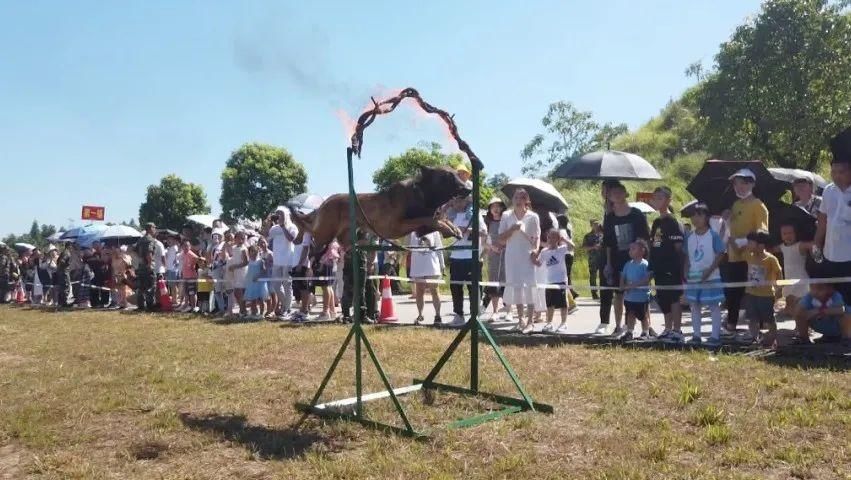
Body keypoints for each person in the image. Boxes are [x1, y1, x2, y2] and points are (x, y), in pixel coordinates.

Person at [600, 182, 650, 337]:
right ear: (609, 196)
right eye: (612, 192)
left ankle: (646, 326)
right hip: (616, 258)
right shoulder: (609, 217)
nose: (616, 195)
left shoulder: (637, 214)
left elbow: (645, 238)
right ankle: (618, 326)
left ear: (625, 193)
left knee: (641, 292)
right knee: (619, 293)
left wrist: (645, 259)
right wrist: (608, 263)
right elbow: (608, 242)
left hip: (637, 259)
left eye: (619, 192)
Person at [723, 169, 769, 334]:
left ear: (752, 184)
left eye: (744, 183)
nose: (740, 187)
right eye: (737, 184)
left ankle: (760, 328)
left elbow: (762, 233)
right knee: (732, 293)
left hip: (752, 258)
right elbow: (729, 232)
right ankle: (731, 325)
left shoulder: (759, 205)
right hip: (734, 257)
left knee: (754, 292)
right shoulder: (735, 205)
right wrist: (726, 220)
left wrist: (742, 242)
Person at [814, 127, 851, 304]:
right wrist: (817, 244)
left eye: (841, 172)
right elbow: (823, 221)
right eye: (833, 171)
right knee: (832, 298)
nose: (836, 176)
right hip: (831, 254)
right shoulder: (828, 191)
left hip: (849, 255)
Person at [498, 188, 541, 333]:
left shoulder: (533, 217)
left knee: (529, 286)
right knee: (516, 287)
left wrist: (535, 250)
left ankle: (530, 321)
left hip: (527, 255)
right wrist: (512, 229)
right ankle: (520, 319)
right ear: (513, 199)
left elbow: (536, 237)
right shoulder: (506, 215)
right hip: (512, 255)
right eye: (516, 197)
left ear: (526, 200)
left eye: (521, 198)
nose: (518, 200)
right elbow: (501, 238)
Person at [684, 203, 726, 345]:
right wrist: (686, 272)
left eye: (699, 215)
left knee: (714, 305)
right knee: (694, 306)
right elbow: (686, 257)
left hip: (711, 276)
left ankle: (715, 336)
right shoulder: (689, 236)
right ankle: (696, 336)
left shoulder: (712, 235)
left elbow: (721, 253)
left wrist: (709, 271)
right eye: (693, 216)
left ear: (706, 217)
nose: (695, 219)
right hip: (694, 277)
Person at [649, 186, 686, 343]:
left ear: (668, 200)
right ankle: (668, 328)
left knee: (674, 298)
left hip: (672, 266)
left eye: (660, 197)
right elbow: (656, 243)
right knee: (663, 298)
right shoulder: (657, 222)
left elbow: (679, 248)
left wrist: (681, 269)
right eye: (655, 197)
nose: (656, 201)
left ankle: (677, 330)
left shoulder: (673, 221)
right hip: (659, 267)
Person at [448, 195, 484, 326]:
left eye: (460, 200)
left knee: (473, 288)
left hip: (471, 257)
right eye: (455, 200)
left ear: (466, 201)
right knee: (455, 287)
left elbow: (484, 232)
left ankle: (475, 316)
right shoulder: (452, 216)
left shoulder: (475, 214)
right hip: (456, 257)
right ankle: (458, 315)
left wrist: (467, 230)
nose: (457, 203)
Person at [743, 230, 782, 347]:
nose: (748, 245)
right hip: (750, 293)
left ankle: (773, 339)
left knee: (769, 319)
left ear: (761, 245)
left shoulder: (771, 259)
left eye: (751, 242)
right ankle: (754, 338)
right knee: (752, 318)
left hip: (766, 295)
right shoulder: (748, 256)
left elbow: (779, 273)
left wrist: (779, 289)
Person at [533, 229, 572, 333]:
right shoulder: (544, 251)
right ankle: (549, 323)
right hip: (549, 282)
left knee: (563, 304)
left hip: (561, 280)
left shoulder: (562, 249)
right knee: (550, 304)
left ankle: (564, 323)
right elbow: (538, 263)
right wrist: (532, 257)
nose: (550, 239)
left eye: (553, 237)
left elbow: (572, 247)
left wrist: (565, 239)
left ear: (558, 239)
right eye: (549, 237)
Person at [266, 208, 298, 320]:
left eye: (281, 214)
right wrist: (267, 223)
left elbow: (291, 239)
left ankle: (286, 309)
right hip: (277, 260)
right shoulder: (274, 228)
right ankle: (287, 307)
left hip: (288, 260)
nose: (279, 216)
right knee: (275, 285)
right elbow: (266, 236)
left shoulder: (292, 226)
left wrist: (283, 226)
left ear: (286, 216)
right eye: (277, 214)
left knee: (287, 285)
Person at [617, 240, 653, 340]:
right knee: (630, 314)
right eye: (630, 249)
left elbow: (646, 280)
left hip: (641, 298)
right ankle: (630, 332)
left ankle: (645, 332)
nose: (630, 251)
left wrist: (632, 286)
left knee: (643, 316)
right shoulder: (627, 264)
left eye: (633, 249)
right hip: (629, 297)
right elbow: (622, 276)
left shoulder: (645, 264)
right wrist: (622, 285)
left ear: (642, 251)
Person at [774, 223, 811, 316]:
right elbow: (770, 249)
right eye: (784, 233)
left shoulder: (800, 245)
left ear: (796, 234)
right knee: (789, 304)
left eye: (790, 233)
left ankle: (801, 326)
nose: (788, 236)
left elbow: (812, 245)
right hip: (789, 280)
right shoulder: (782, 247)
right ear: (781, 236)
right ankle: (796, 321)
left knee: (800, 306)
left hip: (801, 280)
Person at [408, 231, 445, 325]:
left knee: (435, 291)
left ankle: (438, 315)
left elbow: (439, 248)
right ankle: (420, 315)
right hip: (418, 266)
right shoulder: (413, 232)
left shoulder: (434, 231)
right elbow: (410, 248)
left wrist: (442, 264)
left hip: (432, 266)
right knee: (419, 292)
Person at [342, 230, 377, 323]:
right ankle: (346, 315)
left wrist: (370, 264)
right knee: (348, 291)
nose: (366, 242)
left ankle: (362, 315)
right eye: (365, 239)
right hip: (351, 266)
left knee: (361, 291)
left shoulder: (362, 250)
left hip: (360, 266)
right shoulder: (350, 241)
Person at [483, 197, 507, 320]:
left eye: (498, 206)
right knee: (493, 282)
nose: (496, 209)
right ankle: (495, 311)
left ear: (502, 207)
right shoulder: (487, 222)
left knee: (507, 281)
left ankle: (509, 311)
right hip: (493, 256)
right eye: (493, 206)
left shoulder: (507, 220)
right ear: (490, 209)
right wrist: (492, 248)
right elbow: (483, 241)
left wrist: (503, 245)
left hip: (506, 254)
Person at [135, 223, 158, 311]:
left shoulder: (140, 240)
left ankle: (140, 305)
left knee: (141, 287)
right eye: (154, 228)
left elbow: (135, 251)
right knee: (151, 286)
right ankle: (150, 305)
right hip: (147, 266)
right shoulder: (150, 239)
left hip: (141, 266)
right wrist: (150, 263)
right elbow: (149, 252)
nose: (155, 229)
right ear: (150, 228)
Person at [316, 239, 340, 321]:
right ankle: (332, 311)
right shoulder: (335, 240)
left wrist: (321, 264)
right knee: (329, 287)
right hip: (332, 263)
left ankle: (325, 312)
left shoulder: (329, 240)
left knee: (326, 287)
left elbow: (328, 253)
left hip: (327, 263)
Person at [243, 245, 269, 320]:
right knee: (252, 299)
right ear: (249, 252)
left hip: (260, 283)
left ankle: (262, 313)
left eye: (255, 251)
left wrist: (258, 276)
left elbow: (264, 271)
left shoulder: (260, 261)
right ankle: (253, 313)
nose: (253, 253)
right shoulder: (249, 261)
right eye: (252, 251)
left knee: (261, 299)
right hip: (251, 283)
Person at [226, 232, 249, 317]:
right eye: (239, 238)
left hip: (242, 272)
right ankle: (242, 310)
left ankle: (243, 311)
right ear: (235, 239)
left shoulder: (244, 249)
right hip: (236, 273)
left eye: (242, 238)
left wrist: (235, 266)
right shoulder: (234, 248)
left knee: (239, 292)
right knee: (237, 293)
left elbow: (246, 262)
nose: (240, 240)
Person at [582, 220, 603, 300]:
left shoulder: (603, 234)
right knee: (593, 276)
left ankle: (603, 292)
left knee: (603, 276)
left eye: (598, 223)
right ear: (591, 225)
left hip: (602, 258)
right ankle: (594, 293)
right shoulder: (588, 236)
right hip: (593, 259)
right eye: (595, 224)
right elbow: (584, 247)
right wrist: (593, 247)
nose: (597, 225)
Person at [179, 240, 200, 313]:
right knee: (186, 292)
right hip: (185, 276)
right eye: (184, 246)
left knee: (192, 293)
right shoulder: (182, 254)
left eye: (187, 246)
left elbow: (198, 259)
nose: (186, 247)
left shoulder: (191, 254)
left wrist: (193, 265)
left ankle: (193, 307)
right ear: (182, 247)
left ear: (190, 246)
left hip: (192, 276)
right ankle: (187, 305)